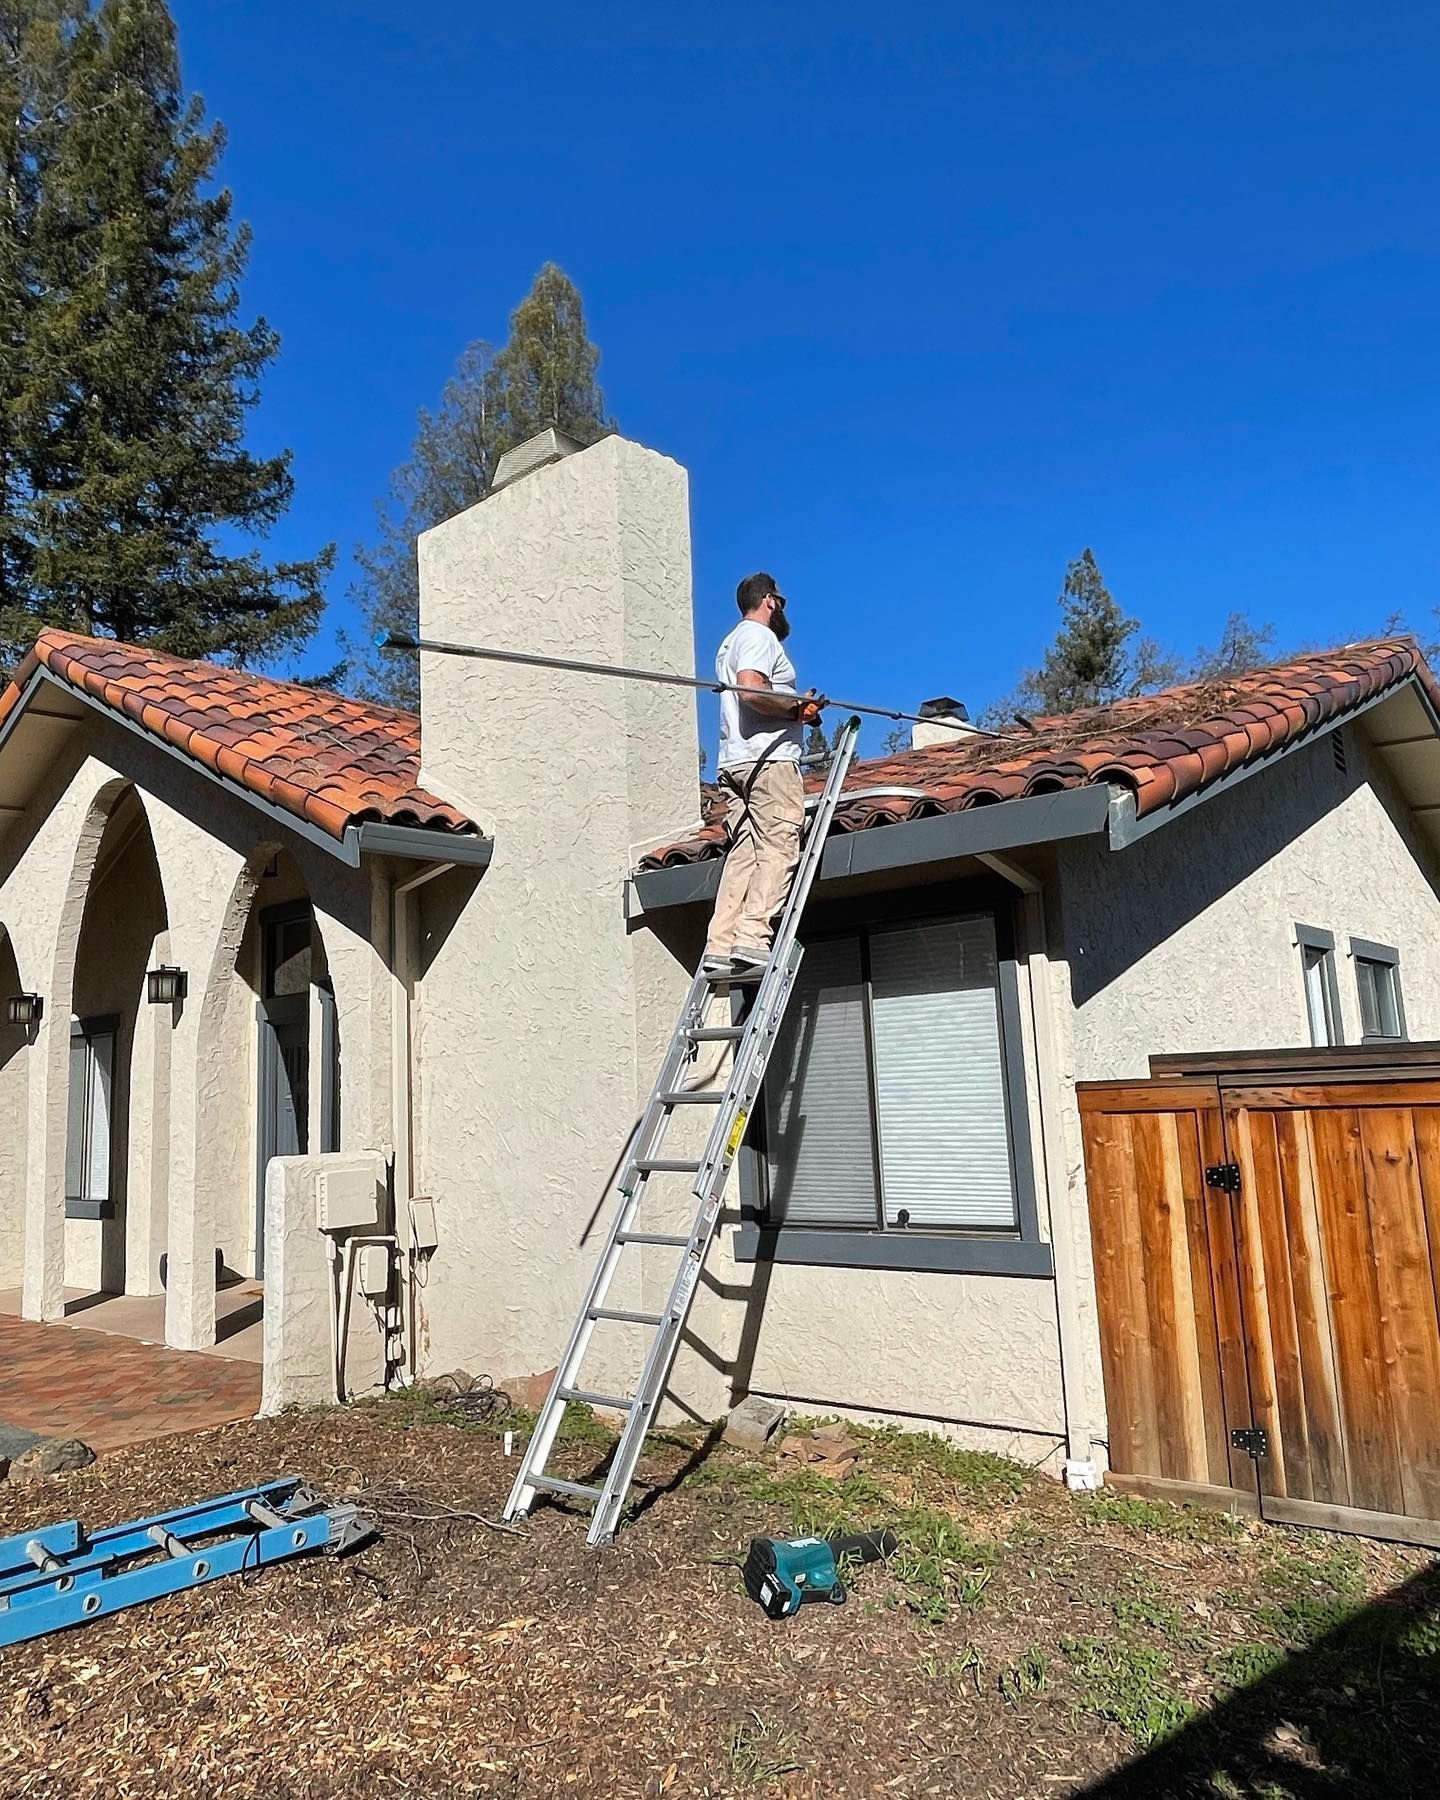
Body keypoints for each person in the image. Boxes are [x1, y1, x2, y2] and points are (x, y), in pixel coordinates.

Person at [702, 573, 825, 978]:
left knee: (745, 853)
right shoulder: (758, 636)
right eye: (781, 603)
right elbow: (752, 691)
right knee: (781, 845)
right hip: (767, 762)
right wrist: (796, 709)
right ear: (770, 601)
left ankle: (720, 942)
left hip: (735, 762)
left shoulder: (728, 643)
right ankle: (753, 935)